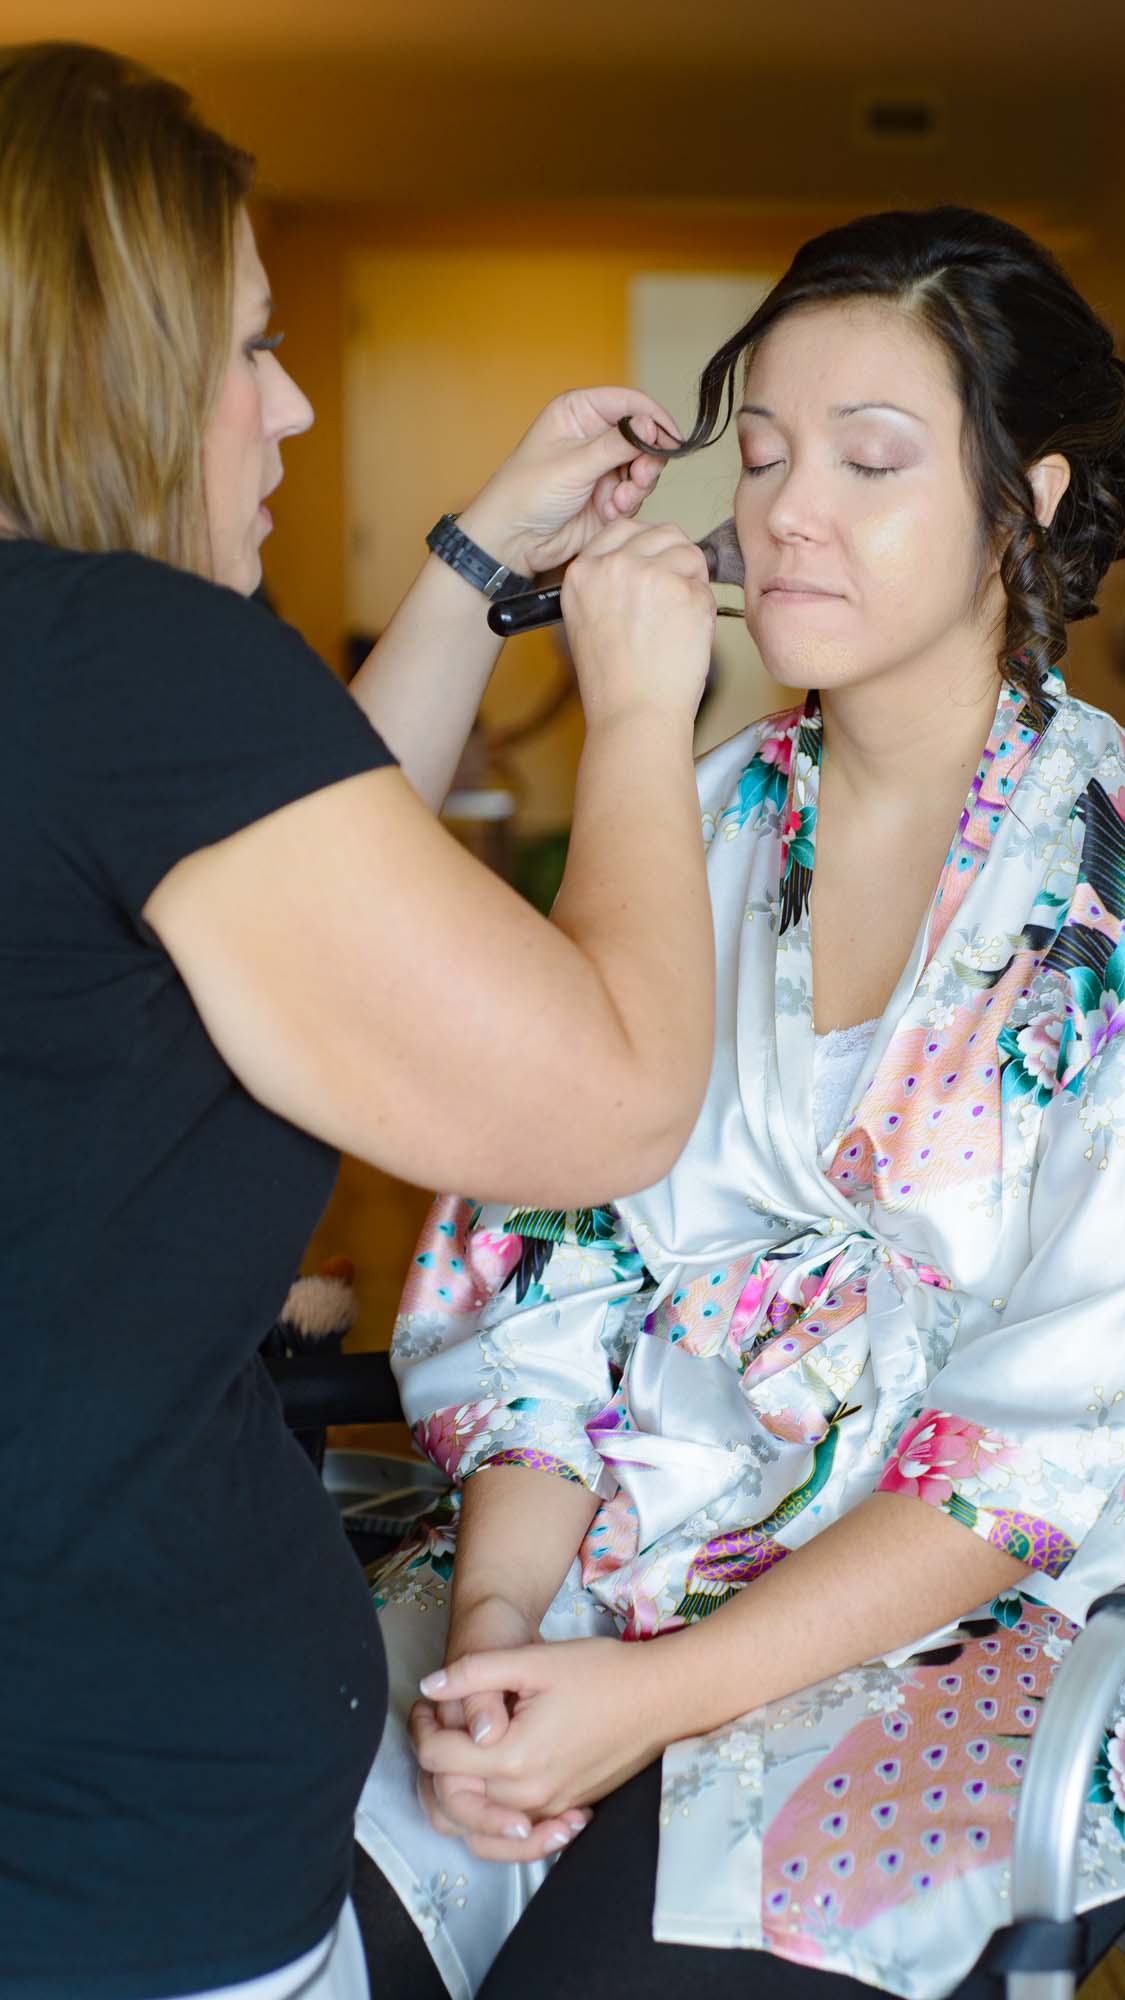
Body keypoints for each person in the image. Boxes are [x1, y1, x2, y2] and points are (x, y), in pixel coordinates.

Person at [355, 207, 1125, 2000]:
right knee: (316, 1893)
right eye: (770, 452)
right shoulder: (702, 819)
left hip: (975, 1633)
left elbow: (1038, 1465)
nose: (791, 507)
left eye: (872, 460)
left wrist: (646, 1702)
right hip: (601, 1542)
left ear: (1021, 507)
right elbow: (546, 1257)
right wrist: (498, 1629)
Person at [0, 41, 720, 2000]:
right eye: (245, 347)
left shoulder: (67, 689)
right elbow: (607, 1102)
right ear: (111, 364)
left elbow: (287, 888)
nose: (290, 400)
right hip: (102, 1855)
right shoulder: (135, 666)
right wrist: (642, 709)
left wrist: (478, 565)